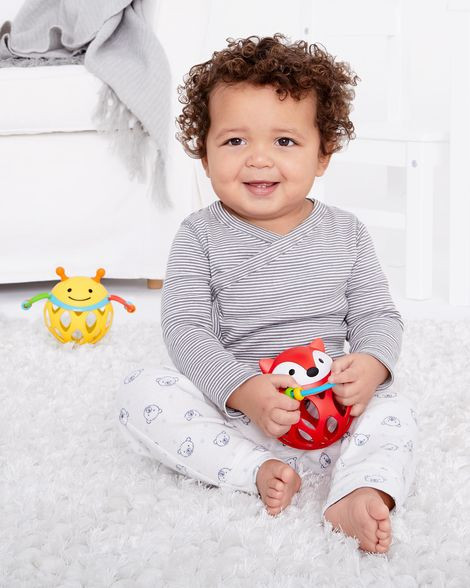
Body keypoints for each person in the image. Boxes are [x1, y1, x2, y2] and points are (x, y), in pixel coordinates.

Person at [116, 34, 417, 554]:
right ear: (204, 154)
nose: (258, 159)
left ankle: (357, 490)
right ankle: (255, 469)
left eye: (284, 142)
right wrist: (244, 391)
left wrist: (370, 365)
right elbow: (186, 330)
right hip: (243, 415)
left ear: (322, 154)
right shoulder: (199, 235)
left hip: (335, 412)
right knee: (139, 392)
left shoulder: (345, 233)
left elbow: (377, 315)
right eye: (235, 141)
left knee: (397, 412)